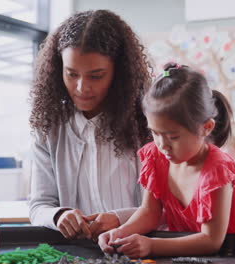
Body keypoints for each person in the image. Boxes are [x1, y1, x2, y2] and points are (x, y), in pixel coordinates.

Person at [98, 63, 235, 258]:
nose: (163, 145)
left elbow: (211, 240)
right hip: (195, 256)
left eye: (173, 137)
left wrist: (152, 245)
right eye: (155, 133)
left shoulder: (217, 168)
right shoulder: (155, 156)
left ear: (206, 127)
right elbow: (149, 212)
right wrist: (120, 233)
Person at [28, 9, 153, 240]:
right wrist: (59, 216)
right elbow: (39, 206)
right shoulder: (49, 129)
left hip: (136, 249)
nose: (82, 88)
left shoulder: (147, 125)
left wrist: (119, 218)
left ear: (119, 73)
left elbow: (163, 210)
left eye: (96, 76)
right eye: (72, 74)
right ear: (59, 70)